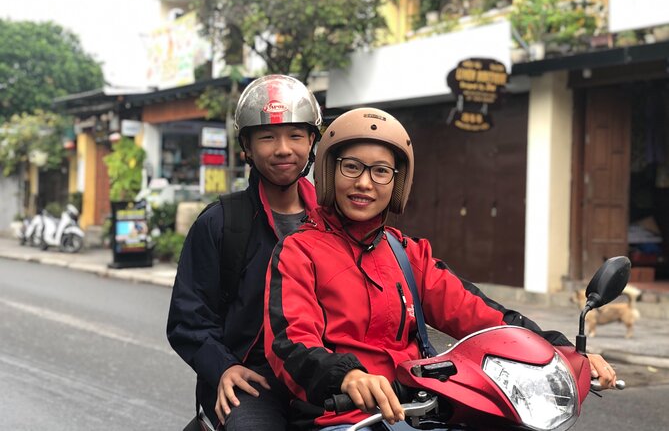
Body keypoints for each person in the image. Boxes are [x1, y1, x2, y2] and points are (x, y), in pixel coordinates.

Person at [263, 107, 618, 430]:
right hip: (346, 416)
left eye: (381, 171)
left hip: (422, 410)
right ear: (329, 171)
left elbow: (482, 316)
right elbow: (291, 342)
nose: (365, 183)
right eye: (352, 167)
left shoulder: (407, 254)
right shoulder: (300, 251)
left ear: (397, 183)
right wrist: (347, 376)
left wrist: (560, 350)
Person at [167, 74, 322, 430]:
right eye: (268, 136)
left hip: (318, 376)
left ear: (312, 141)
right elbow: (188, 320)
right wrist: (223, 366)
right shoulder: (221, 223)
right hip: (251, 380)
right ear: (247, 147)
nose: (283, 148)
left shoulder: (329, 222)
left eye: (296, 135)